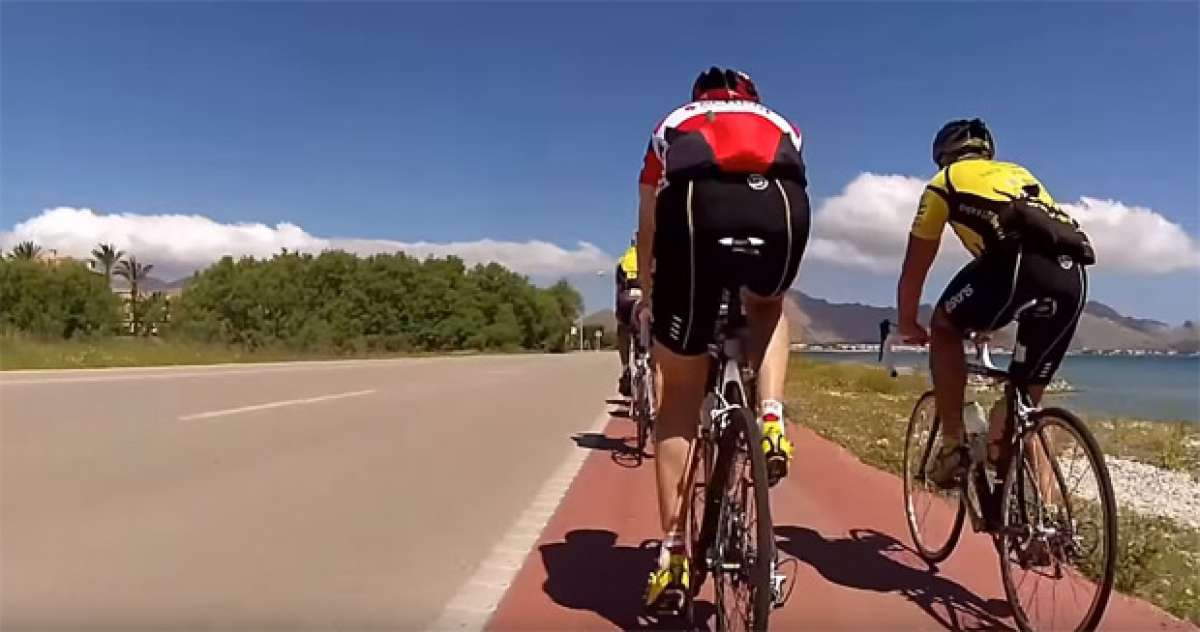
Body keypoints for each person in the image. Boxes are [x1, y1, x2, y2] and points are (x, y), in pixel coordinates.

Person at [637, 67, 811, 612]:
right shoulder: (782, 123)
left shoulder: (672, 123)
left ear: (701, 97)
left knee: (680, 396)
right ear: (750, 97)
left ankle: (672, 557)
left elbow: (648, 221)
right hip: (780, 212)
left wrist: (649, 287)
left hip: (696, 214)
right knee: (767, 306)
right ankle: (772, 418)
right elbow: (797, 181)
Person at [897, 118, 1095, 488]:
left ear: (942, 156)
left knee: (944, 324)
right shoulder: (1019, 174)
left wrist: (908, 320)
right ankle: (1048, 525)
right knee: (1024, 409)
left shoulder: (944, 183)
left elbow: (916, 265)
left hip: (1015, 269)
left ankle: (953, 442)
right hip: (1072, 277)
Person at [615, 236, 640, 397]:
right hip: (647, 301)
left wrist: (619, 314)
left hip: (626, 301)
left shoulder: (623, 260)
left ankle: (625, 368)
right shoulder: (654, 256)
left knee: (622, 329)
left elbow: (619, 289)